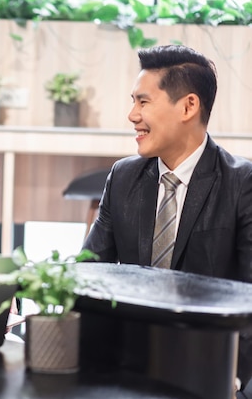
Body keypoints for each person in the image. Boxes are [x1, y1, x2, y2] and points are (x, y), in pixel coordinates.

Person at [83, 44, 252, 393]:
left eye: (143, 102)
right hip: (126, 368)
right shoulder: (124, 177)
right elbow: (87, 274)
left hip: (213, 370)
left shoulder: (241, 183)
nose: (132, 115)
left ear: (188, 106)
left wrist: (231, 379)